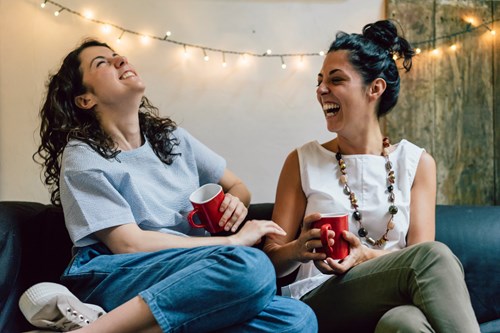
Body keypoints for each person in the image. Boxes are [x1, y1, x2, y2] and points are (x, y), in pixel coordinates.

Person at [31, 38, 317, 333]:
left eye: (118, 55)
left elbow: (238, 186)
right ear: (85, 99)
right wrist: (233, 242)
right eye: (102, 62)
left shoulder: (173, 139)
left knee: (297, 319)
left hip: (188, 272)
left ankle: (115, 324)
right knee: (251, 267)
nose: (120, 60)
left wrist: (234, 202)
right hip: (113, 274)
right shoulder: (82, 156)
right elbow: (129, 244)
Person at [263, 20, 480, 333]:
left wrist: (365, 255)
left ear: (375, 89)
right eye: (320, 80)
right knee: (434, 258)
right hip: (323, 298)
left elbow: (417, 254)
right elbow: (269, 261)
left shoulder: (417, 162)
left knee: (404, 324)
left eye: (336, 80)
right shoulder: (302, 161)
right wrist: (298, 248)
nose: (322, 89)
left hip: (396, 301)